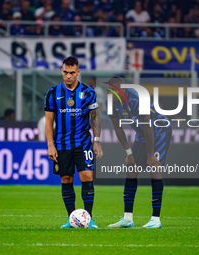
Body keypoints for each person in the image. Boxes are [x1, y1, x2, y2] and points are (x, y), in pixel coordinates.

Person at [106, 76, 172, 229]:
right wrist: (129, 153)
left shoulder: (136, 98)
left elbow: (148, 125)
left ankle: (155, 219)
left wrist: (150, 155)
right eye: (108, 91)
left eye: (112, 91)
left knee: (154, 169)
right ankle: (127, 219)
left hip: (159, 130)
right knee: (131, 170)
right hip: (143, 134)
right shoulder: (111, 103)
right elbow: (118, 128)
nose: (109, 94)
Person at [45, 56, 103, 228]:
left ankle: (89, 219)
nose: (68, 76)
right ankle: (72, 219)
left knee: (87, 176)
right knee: (66, 179)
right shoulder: (52, 93)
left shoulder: (89, 92)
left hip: (83, 142)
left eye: (72, 73)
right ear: (61, 72)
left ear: (78, 72)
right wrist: (50, 145)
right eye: (65, 72)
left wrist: (97, 141)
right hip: (62, 144)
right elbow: (48, 122)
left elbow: (95, 118)